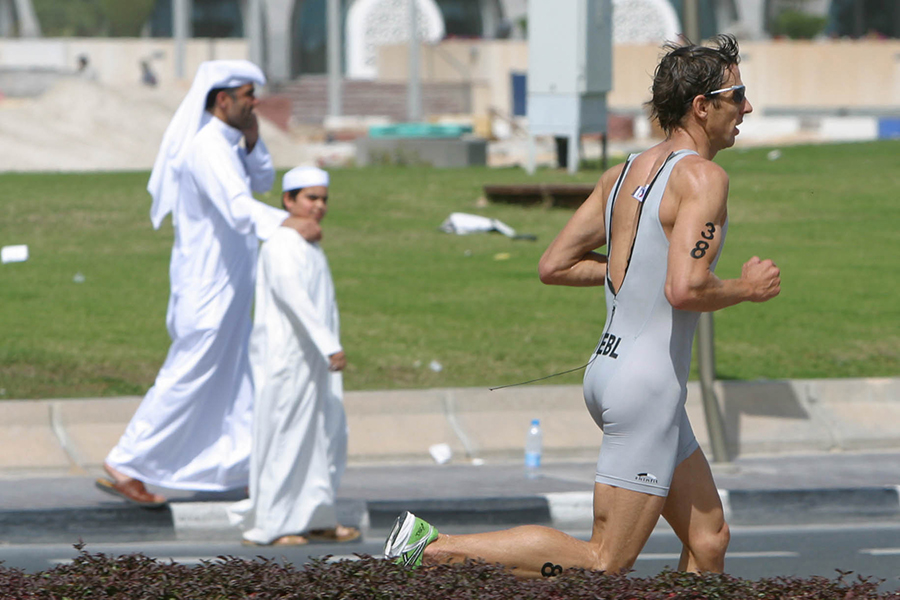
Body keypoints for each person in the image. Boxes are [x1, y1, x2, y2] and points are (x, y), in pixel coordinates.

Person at [384, 34, 781, 576]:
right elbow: (686, 289)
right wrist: (747, 286)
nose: (747, 107)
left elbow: (555, 264)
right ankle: (429, 548)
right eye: (738, 95)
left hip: (611, 372)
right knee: (603, 561)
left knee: (709, 539)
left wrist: (631, 272)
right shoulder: (704, 178)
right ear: (702, 105)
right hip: (646, 389)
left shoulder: (623, 174)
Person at [95, 60, 321, 506]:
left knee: (235, 378)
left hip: (229, 281)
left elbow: (261, 181)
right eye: (248, 94)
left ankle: (242, 468)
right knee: (188, 374)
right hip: (206, 284)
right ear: (223, 100)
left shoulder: (229, 143)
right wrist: (291, 224)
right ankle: (125, 461)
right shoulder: (206, 148)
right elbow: (240, 208)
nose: (256, 101)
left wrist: (254, 141)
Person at [228, 166, 359, 546]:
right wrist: (328, 343)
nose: (318, 206)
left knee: (324, 434)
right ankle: (272, 524)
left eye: (323, 199)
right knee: (286, 437)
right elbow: (293, 298)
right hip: (288, 358)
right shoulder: (283, 243)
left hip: (315, 360)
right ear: (288, 201)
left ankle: (317, 517)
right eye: (310, 198)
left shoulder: (308, 242)